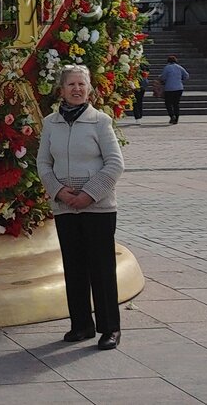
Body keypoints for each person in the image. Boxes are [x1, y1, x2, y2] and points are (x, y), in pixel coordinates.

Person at [37, 65, 124, 351]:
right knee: (74, 267)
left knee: (101, 267)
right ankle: (81, 324)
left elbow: (115, 163)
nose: (76, 89)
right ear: (61, 90)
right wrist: (59, 191)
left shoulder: (100, 122)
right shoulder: (50, 123)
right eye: (71, 85)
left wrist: (89, 194)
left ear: (89, 90)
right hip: (65, 207)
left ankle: (109, 327)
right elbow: (43, 163)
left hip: (97, 208)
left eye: (81, 85)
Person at [160, 55, 189, 124]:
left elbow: (163, 77)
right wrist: (180, 79)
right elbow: (186, 75)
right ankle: (176, 119)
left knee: (168, 103)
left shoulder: (167, 68)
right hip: (179, 88)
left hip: (169, 88)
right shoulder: (179, 67)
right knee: (176, 104)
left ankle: (172, 115)